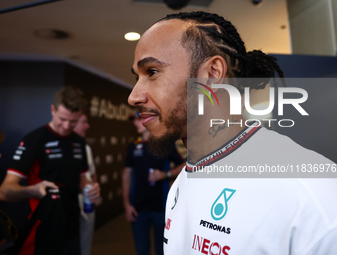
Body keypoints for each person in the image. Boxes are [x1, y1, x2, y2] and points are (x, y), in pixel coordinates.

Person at [128, 11, 337, 255]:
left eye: (152, 72)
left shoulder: (312, 193)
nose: (133, 96)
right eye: (137, 77)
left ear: (213, 73)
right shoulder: (185, 177)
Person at [0, 86, 100, 255]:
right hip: (42, 228)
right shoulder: (34, 140)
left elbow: (82, 180)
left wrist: (91, 188)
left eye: (73, 121)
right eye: (62, 119)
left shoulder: (79, 142)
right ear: (53, 110)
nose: (67, 126)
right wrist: (34, 190)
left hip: (71, 227)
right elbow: (4, 191)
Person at [122, 112, 184, 255]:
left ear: (147, 120)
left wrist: (165, 174)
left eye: (138, 120)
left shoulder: (164, 144)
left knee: (162, 249)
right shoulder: (134, 146)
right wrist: (126, 204)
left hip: (161, 208)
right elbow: (127, 174)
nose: (135, 123)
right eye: (134, 120)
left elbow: (183, 165)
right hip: (138, 208)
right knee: (142, 249)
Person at [73, 114, 97, 255]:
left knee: (85, 246)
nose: (87, 126)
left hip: (86, 205)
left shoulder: (85, 147)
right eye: (84, 122)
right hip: (69, 207)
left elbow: (91, 173)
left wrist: (93, 188)